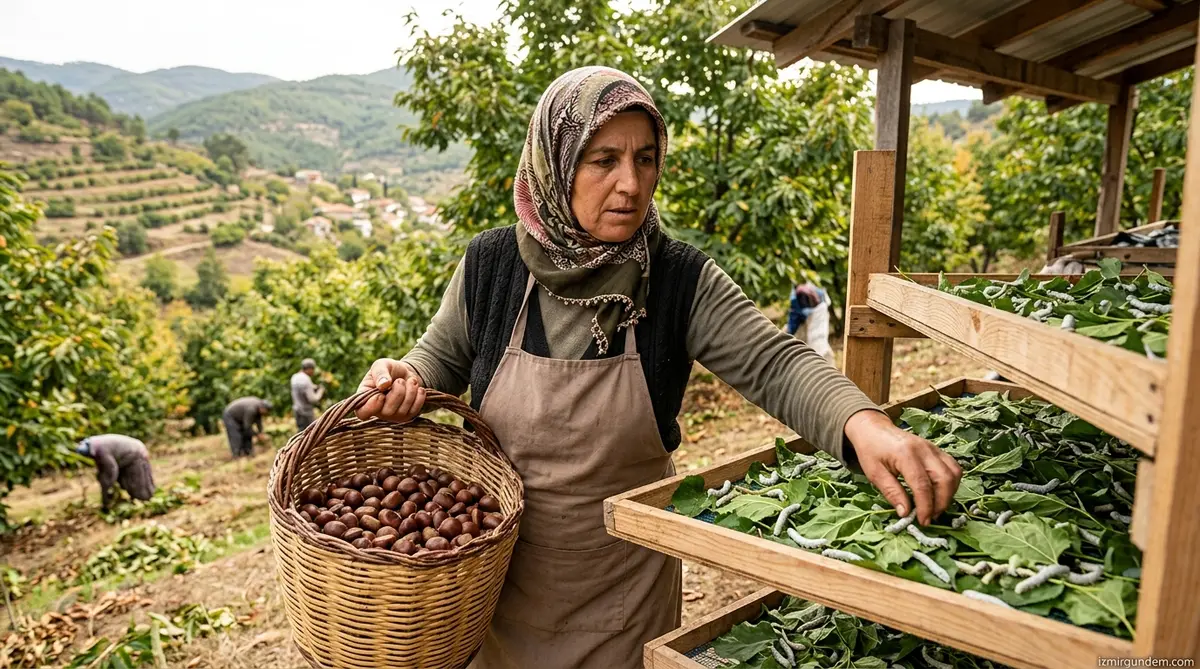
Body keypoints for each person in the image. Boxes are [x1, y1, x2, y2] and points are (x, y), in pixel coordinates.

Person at [354, 67, 962, 669]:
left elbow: (776, 363)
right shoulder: (492, 265)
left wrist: (863, 424)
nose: (631, 184)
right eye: (603, 160)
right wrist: (404, 376)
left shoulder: (675, 279)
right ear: (555, 162)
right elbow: (439, 357)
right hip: (495, 588)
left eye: (645, 159)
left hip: (621, 591)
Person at [75, 434, 156, 510]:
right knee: (123, 481)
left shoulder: (101, 450)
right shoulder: (95, 444)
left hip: (136, 453)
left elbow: (111, 469)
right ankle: (134, 500)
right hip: (126, 455)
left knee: (136, 482)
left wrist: (108, 486)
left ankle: (146, 501)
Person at [786, 281, 834, 362]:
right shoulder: (811, 289)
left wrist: (789, 331)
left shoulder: (797, 297)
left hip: (815, 318)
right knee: (821, 342)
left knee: (817, 344)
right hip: (822, 312)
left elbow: (794, 320)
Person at [290, 358, 325, 431]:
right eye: (313, 369)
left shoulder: (295, 377)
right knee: (311, 434)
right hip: (306, 413)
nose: (313, 372)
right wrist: (320, 391)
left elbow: (303, 388)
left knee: (300, 433)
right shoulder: (306, 379)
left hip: (297, 410)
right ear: (309, 369)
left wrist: (315, 387)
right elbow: (313, 399)